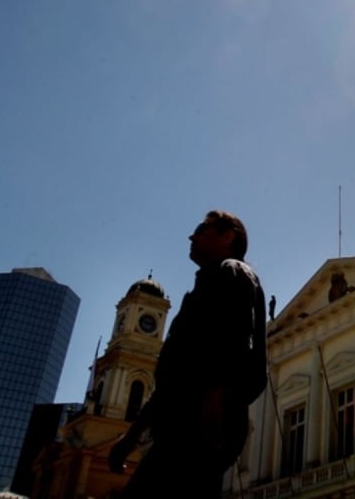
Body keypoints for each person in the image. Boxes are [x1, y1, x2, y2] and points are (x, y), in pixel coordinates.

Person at [109, 210, 268, 497]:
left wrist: (213, 407)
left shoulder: (233, 272)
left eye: (202, 229)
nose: (192, 236)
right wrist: (132, 437)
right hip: (183, 424)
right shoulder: (202, 288)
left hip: (201, 422)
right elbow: (173, 376)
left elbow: (232, 344)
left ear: (227, 235)